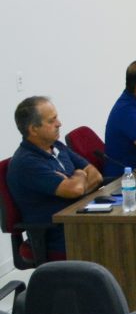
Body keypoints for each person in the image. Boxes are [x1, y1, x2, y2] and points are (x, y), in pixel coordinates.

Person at [7, 97, 103, 255]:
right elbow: (74, 190)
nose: (59, 123)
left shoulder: (56, 146)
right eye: (51, 121)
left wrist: (76, 183)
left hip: (82, 220)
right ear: (34, 129)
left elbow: (96, 176)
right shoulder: (27, 163)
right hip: (60, 237)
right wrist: (80, 174)